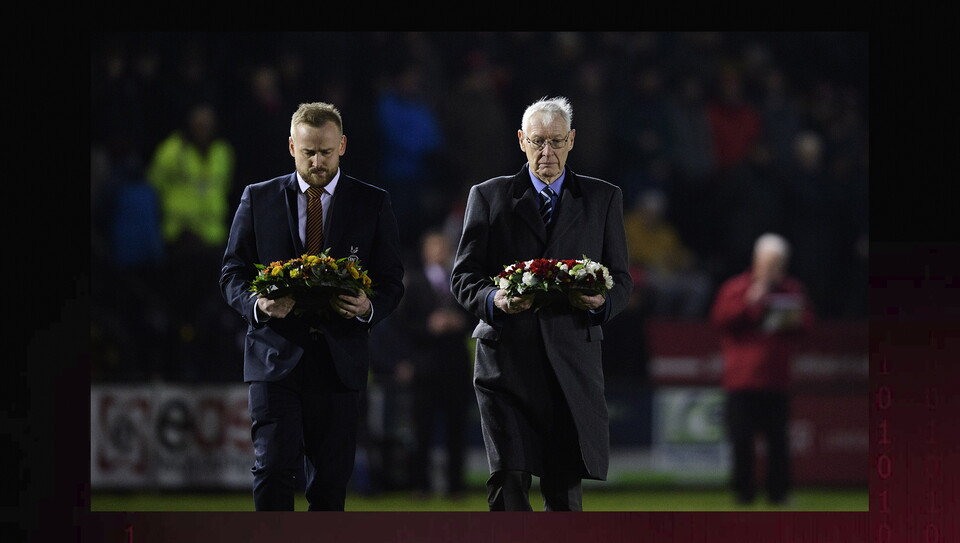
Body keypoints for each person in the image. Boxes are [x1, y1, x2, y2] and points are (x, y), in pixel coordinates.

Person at [219, 102, 405, 511]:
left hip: (340, 362)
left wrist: (367, 307)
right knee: (272, 471)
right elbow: (231, 272)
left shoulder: (372, 202)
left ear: (342, 145)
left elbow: (393, 280)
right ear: (291, 146)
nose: (317, 161)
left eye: (325, 151)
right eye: (308, 152)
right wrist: (258, 304)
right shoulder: (259, 198)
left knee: (330, 485)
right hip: (274, 358)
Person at [450, 96, 633, 511]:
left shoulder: (603, 198)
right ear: (520, 141)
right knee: (508, 483)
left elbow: (621, 280)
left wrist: (601, 302)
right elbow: (463, 277)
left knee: (564, 492)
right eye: (536, 142)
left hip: (570, 363)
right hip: (505, 363)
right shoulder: (489, 196)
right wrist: (494, 298)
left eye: (555, 142)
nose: (546, 153)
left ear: (571, 141)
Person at [709, 232, 814, 506]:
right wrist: (752, 301)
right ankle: (743, 494)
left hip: (776, 381)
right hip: (742, 381)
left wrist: (791, 316)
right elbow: (721, 319)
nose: (774, 268)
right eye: (769, 262)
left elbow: (807, 324)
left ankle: (778, 494)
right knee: (741, 442)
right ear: (757, 260)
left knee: (778, 443)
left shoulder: (792, 290)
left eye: (778, 262)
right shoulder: (737, 288)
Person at [392, 229, 476, 498]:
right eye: (434, 246)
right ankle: (421, 484)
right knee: (422, 430)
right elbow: (401, 325)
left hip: (456, 366)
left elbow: (476, 314)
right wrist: (429, 327)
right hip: (424, 366)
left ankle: (455, 485)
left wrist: (460, 322)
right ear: (426, 251)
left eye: (443, 246)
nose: (439, 251)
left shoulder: (461, 280)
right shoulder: (413, 282)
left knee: (456, 428)